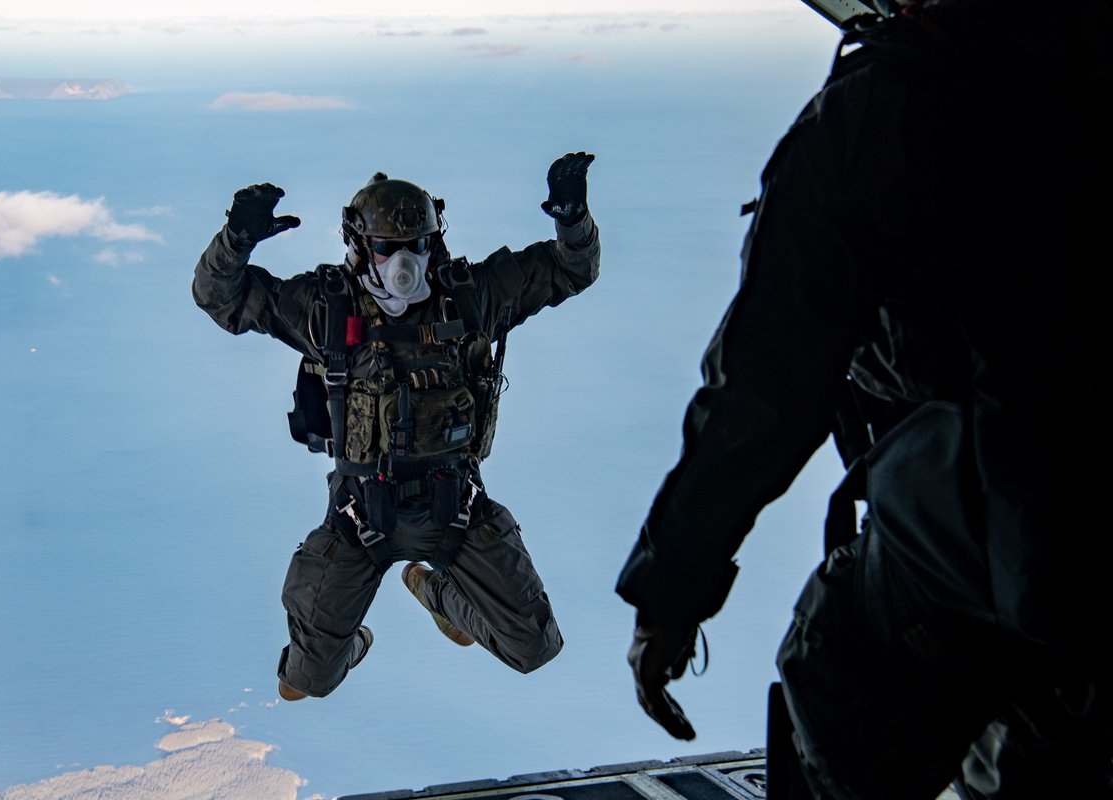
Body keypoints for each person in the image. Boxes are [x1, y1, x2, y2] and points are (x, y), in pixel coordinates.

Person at [614, 1, 1110, 798]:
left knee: (835, 679)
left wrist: (670, 593)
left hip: (1020, 514)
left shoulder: (887, 109)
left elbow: (765, 393)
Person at [193, 152, 598, 700]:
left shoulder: (472, 295)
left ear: (435, 241)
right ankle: (350, 641)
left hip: (456, 510)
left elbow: (572, 269)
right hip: (361, 520)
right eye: (387, 247)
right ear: (361, 245)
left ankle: (437, 594)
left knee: (535, 648)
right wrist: (234, 239)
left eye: (417, 245)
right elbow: (221, 296)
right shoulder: (327, 308)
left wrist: (572, 219)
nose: (403, 262)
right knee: (303, 682)